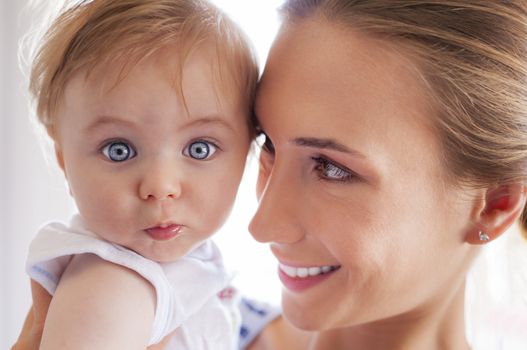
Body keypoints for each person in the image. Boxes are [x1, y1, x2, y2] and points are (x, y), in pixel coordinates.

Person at [13, 0, 527, 349]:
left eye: (330, 168)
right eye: (267, 146)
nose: (260, 224)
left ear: (495, 204)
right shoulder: (158, 322)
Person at [13, 0, 258, 349]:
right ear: (63, 158)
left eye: (199, 148)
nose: (161, 187)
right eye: (119, 150)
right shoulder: (111, 285)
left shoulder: (183, 266)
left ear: (248, 149)